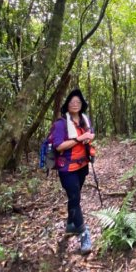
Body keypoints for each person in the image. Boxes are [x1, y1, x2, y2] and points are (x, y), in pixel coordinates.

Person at [52, 88, 96, 255]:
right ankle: (84, 233)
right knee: (75, 197)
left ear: (82, 104)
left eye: (78, 102)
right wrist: (79, 139)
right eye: (72, 102)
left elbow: (90, 135)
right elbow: (58, 146)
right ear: (67, 105)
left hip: (82, 166)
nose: (75, 104)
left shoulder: (85, 120)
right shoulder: (60, 124)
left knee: (74, 197)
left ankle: (71, 224)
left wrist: (89, 138)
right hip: (67, 168)